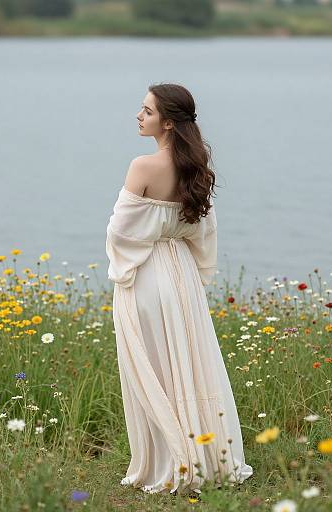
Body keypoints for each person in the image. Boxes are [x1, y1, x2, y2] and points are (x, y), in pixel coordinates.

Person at [105, 83, 253, 496]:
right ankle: (206, 457)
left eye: (146, 110)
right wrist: (189, 263)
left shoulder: (143, 167)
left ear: (167, 121)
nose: (138, 115)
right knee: (188, 364)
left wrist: (126, 265)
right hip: (182, 275)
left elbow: (120, 232)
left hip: (148, 274)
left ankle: (169, 461)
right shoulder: (196, 166)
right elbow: (204, 232)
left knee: (151, 368)